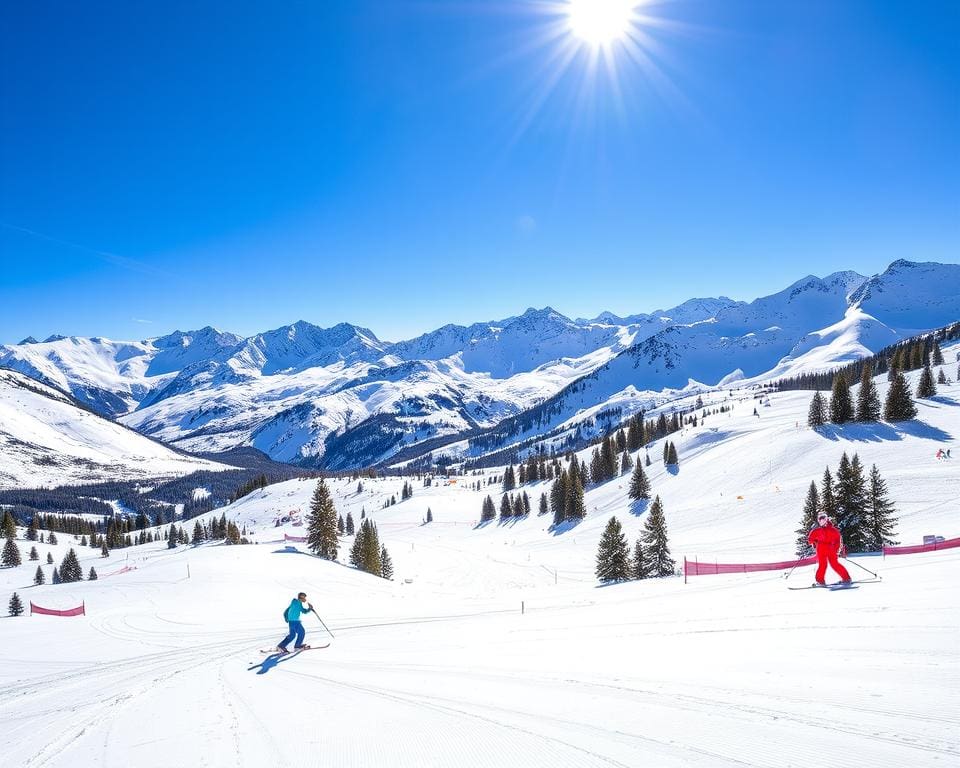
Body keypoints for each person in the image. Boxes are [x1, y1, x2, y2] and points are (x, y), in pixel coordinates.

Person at [807, 514, 851, 586]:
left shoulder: (833, 530)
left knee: (834, 564)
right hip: (821, 549)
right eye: (820, 520)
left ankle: (846, 578)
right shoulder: (817, 530)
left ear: (826, 520)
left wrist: (837, 549)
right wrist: (813, 542)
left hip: (831, 549)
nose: (822, 521)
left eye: (823, 520)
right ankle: (820, 581)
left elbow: (838, 540)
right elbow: (810, 539)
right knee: (822, 565)